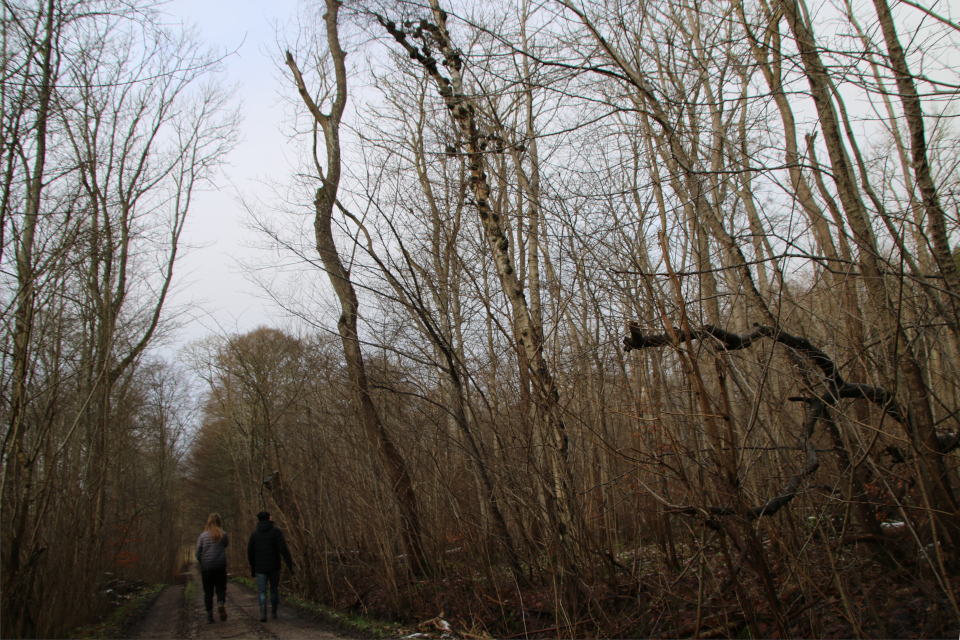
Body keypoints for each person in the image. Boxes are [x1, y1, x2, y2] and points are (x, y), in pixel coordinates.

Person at [247, 511, 294, 622]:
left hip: (260, 568)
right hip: (274, 566)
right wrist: (289, 564)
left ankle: (263, 613)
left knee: (262, 590)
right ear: (269, 519)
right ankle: (273, 612)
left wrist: (253, 567)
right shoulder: (275, 532)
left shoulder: (254, 535)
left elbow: (250, 553)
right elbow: (283, 549)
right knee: (274, 589)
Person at [195, 513, 229, 623]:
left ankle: (209, 615)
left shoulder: (202, 536)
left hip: (207, 568)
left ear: (208, 522)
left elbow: (197, 552)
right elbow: (225, 544)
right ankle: (220, 603)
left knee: (208, 592)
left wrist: (202, 561)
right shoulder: (222, 534)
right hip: (219, 566)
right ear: (219, 522)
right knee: (221, 588)